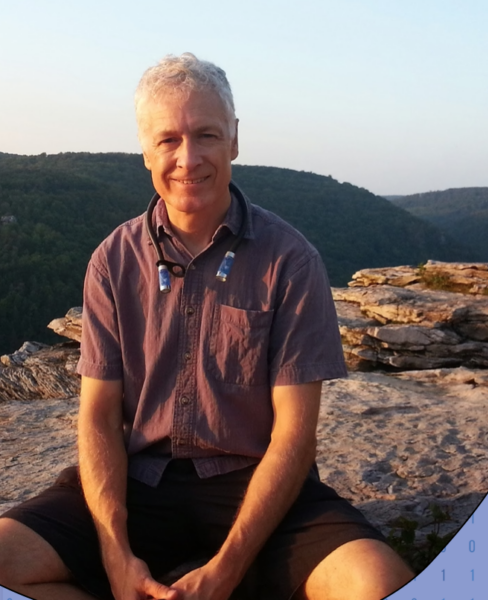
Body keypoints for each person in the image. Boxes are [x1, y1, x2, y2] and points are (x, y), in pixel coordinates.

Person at [0, 53, 414, 600]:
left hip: (256, 484)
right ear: (145, 149)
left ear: (235, 139)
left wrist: (228, 568)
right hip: (140, 480)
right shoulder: (114, 260)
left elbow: (294, 434)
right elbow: (99, 417)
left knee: (377, 583)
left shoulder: (290, 260)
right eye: (168, 139)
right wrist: (115, 554)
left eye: (207, 135)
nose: (187, 158)